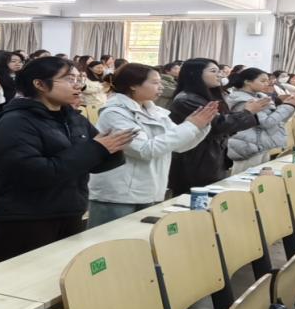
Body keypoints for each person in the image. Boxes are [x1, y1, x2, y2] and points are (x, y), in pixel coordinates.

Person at [0, 56, 132, 265]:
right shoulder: (15, 123)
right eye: (69, 79)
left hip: (69, 211)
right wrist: (97, 148)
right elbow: (36, 174)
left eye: (79, 79)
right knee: (25, 280)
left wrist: (113, 148)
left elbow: (94, 163)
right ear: (40, 84)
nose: (78, 85)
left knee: (63, 276)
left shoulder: (73, 117)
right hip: (26, 219)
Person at [88, 63, 216, 227]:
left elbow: (179, 146)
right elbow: (145, 150)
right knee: (111, 240)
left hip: (149, 189)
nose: (161, 87)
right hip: (118, 195)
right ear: (133, 85)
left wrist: (200, 126)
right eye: (155, 82)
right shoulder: (114, 113)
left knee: (141, 240)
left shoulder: (155, 112)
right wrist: (190, 126)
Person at [167, 58, 268, 195]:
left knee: (212, 198)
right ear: (195, 74)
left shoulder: (207, 96)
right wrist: (247, 112)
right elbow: (217, 125)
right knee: (195, 199)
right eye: (213, 71)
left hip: (213, 156)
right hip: (195, 160)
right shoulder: (186, 99)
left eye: (219, 71)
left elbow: (225, 124)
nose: (220, 75)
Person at [225, 68, 295, 175]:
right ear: (247, 81)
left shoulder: (260, 97)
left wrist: (292, 105)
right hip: (247, 146)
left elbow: (278, 120)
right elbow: (266, 123)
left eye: (267, 80)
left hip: (261, 144)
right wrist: (288, 106)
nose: (267, 83)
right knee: (245, 179)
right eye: (263, 81)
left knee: (262, 179)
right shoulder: (242, 100)